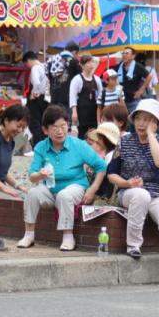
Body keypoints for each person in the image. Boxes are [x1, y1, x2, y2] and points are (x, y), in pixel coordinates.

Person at [107, 99, 159, 286]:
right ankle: (133, 245)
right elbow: (111, 174)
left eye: (147, 120)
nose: (141, 123)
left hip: (158, 193)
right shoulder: (124, 142)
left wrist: (150, 136)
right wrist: (127, 183)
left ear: (155, 123)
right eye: (139, 118)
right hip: (131, 192)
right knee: (141, 195)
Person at [18, 105, 108, 251]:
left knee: (64, 195)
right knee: (32, 194)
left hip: (76, 187)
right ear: (45, 130)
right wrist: (40, 175)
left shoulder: (78, 145)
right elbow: (32, 176)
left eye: (63, 126)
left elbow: (101, 166)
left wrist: (93, 189)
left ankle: (68, 237)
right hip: (50, 188)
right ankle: (29, 235)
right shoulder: (41, 147)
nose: (60, 131)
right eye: (54, 127)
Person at [0, 103, 30, 198]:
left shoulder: (11, 142)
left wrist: (18, 186)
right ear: (6, 121)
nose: (20, 130)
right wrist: (4, 188)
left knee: (28, 197)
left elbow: (3, 173)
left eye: (23, 128)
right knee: (18, 203)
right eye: (18, 126)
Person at [68, 53, 100, 139]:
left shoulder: (97, 79)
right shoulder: (77, 79)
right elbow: (72, 97)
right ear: (82, 65)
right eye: (88, 63)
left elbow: (100, 96)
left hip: (94, 112)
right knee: (82, 134)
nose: (91, 65)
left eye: (92, 62)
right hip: (81, 112)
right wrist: (74, 112)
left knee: (94, 135)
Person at [85, 121, 120, 199]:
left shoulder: (112, 156)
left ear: (108, 140)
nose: (97, 141)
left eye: (100, 138)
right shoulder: (110, 154)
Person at [24, 51, 49, 145]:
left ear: (28, 60)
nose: (27, 66)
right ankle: (44, 145)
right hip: (45, 98)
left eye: (26, 64)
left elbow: (36, 82)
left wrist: (34, 93)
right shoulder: (45, 66)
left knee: (34, 123)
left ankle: (37, 146)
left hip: (36, 99)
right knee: (43, 122)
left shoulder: (35, 68)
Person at [117, 47, 149, 112]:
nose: (124, 55)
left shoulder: (137, 66)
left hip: (134, 100)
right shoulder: (119, 66)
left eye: (127, 53)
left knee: (134, 119)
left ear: (133, 56)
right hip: (121, 100)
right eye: (123, 53)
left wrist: (142, 89)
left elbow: (149, 76)